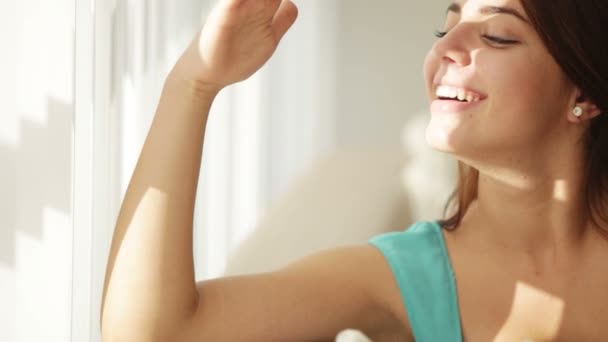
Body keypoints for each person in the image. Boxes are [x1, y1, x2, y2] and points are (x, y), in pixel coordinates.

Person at [100, 0, 608, 341]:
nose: (445, 48)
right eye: (447, 25)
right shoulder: (399, 276)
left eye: (497, 36)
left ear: (582, 94)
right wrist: (192, 84)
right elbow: (153, 333)